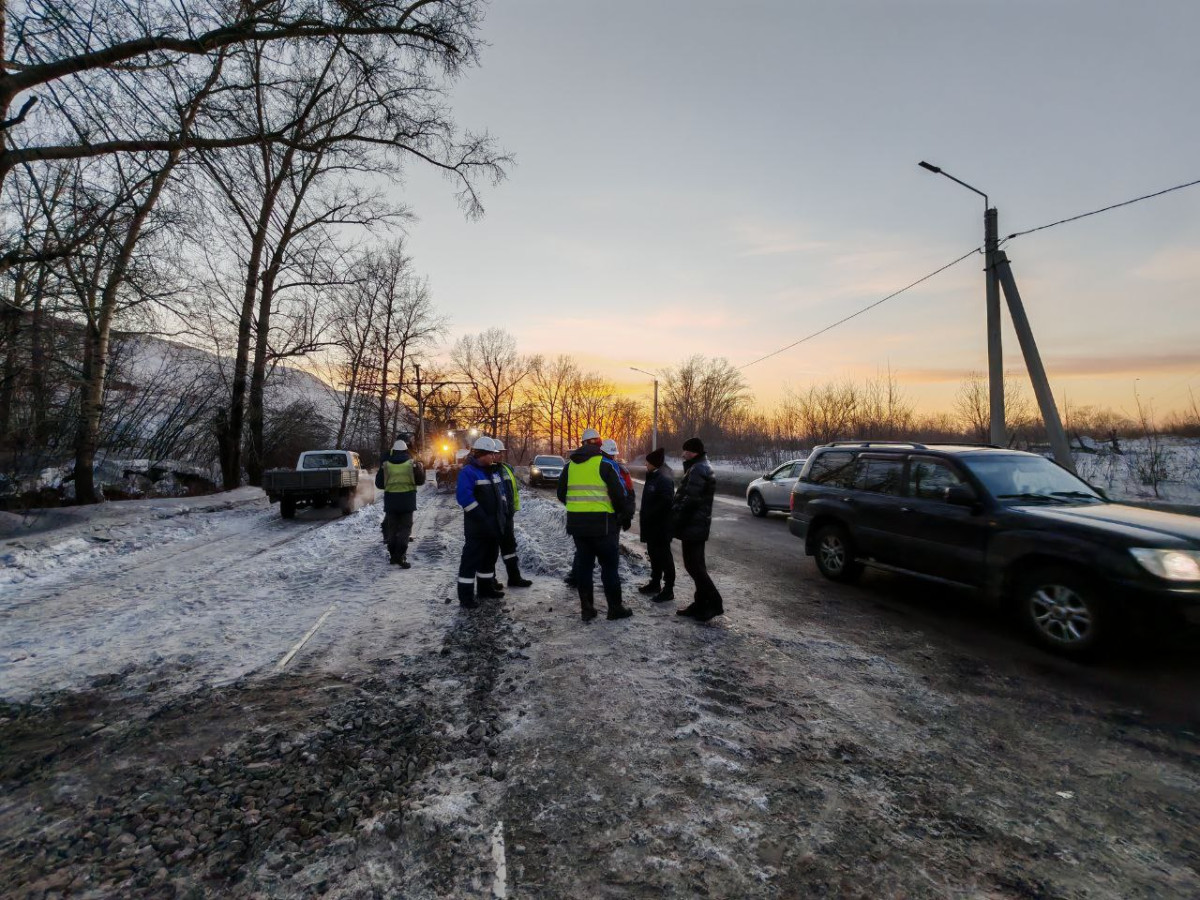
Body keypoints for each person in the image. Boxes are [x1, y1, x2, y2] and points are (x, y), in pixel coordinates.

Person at [557, 427, 633, 622]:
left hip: (578, 527)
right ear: (599, 444)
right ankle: (615, 609)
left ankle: (587, 609)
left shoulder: (569, 466)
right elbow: (619, 495)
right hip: (604, 526)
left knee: (584, 567)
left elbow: (560, 494)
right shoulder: (605, 465)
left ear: (582, 444)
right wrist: (621, 515)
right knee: (609, 567)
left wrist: (576, 507)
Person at [671, 437, 724, 622]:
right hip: (696, 525)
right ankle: (700, 604)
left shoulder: (698, 469)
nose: (682, 454)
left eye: (685, 451)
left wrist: (676, 520)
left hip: (693, 525)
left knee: (693, 566)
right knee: (697, 565)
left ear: (692, 452)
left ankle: (715, 603)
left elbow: (691, 499)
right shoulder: (700, 466)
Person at [455, 436, 508, 608]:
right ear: (481, 454)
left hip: (493, 526)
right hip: (477, 528)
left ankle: (485, 589)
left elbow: (501, 496)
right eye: (491, 454)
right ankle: (466, 597)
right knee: (470, 561)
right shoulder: (468, 472)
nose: (494, 457)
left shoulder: (492, 471)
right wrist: (483, 519)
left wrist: (502, 517)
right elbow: (464, 498)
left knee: (489, 560)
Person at [375, 439, 426, 567]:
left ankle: (393, 556)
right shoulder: (411, 463)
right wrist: (419, 468)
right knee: (405, 529)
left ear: (393, 451)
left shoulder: (386, 465)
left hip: (391, 502)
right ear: (405, 450)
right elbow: (420, 481)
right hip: (407, 501)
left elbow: (379, 484)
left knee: (392, 528)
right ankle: (400, 556)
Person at [490, 437, 533, 588]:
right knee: (491, 551)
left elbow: (511, 492)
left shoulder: (506, 468)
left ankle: (514, 578)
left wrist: (511, 511)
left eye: (501, 452)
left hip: (507, 516)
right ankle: (490, 581)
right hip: (494, 517)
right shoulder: (486, 471)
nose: (500, 455)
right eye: (497, 453)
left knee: (509, 548)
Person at [638, 447, 676, 603]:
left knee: (664, 557)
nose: (645, 465)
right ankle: (655, 583)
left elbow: (666, 502)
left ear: (654, 463)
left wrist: (651, 514)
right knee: (654, 555)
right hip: (652, 526)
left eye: (647, 462)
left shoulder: (664, 478)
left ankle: (668, 589)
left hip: (660, 527)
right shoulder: (653, 476)